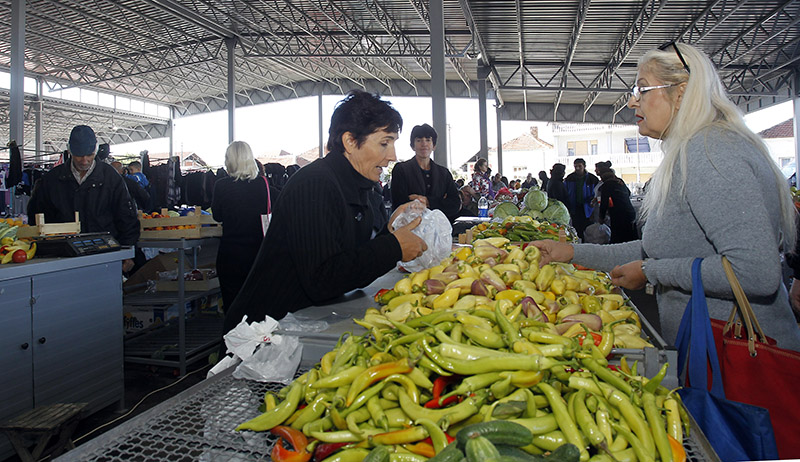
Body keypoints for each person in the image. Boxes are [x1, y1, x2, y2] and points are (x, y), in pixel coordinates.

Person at [533, 43, 800, 350]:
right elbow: (657, 250)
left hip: (740, 358)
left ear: (681, 93)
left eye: (642, 89)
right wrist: (570, 252)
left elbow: (755, 272)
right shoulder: (697, 150)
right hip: (713, 352)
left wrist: (651, 272)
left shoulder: (711, 152)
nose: (632, 101)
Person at [220, 90, 426, 339]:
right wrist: (393, 247)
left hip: (299, 326)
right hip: (263, 337)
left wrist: (391, 231)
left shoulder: (358, 187)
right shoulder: (316, 184)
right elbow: (323, 278)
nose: (392, 156)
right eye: (384, 143)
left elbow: (352, 262)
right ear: (350, 141)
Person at [28, 125, 139, 272]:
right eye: (79, 155)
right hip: (63, 257)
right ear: (69, 151)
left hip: (105, 253)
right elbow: (37, 216)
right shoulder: (51, 180)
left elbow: (126, 215)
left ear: (96, 150)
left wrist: (127, 250)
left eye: (89, 155)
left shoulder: (111, 178)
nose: (84, 160)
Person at [211, 141, 271, 313]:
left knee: (233, 307)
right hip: (258, 255)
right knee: (258, 306)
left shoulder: (221, 185)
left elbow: (217, 216)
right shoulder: (263, 184)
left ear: (229, 160)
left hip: (231, 256)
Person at [390, 123, 461, 222]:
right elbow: (399, 202)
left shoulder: (443, 173)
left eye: (428, 140)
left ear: (434, 146)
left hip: (438, 227)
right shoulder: (401, 170)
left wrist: (427, 201)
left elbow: (455, 204)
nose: (424, 144)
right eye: (419, 140)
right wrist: (441, 202)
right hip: (408, 227)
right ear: (412, 146)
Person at [595, 161, 637, 243]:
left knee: (619, 239)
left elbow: (604, 203)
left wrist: (601, 218)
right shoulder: (619, 181)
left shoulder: (607, 185)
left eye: (597, 170)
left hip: (619, 215)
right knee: (631, 238)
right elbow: (628, 193)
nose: (595, 171)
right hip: (630, 212)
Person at [564, 158, 599, 240]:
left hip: (588, 209)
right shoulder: (569, 178)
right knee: (576, 230)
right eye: (575, 166)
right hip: (574, 208)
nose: (577, 168)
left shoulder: (592, 179)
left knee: (589, 230)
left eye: (580, 166)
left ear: (584, 166)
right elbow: (565, 193)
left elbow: (597, 194)